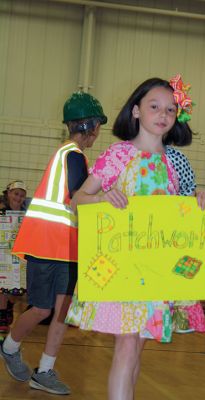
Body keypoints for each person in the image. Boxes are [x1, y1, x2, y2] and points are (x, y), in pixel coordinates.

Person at [65, 74, 205, 400]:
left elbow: (183, 213)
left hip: (157, 273)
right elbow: (78, 200)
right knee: (127, 343)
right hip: (123, 268)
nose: (163, 115)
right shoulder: (118, 155)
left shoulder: (176, 162)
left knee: (137, 347)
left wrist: (200, 199)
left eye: (171, 110)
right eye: (154, 106)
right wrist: (102, 198)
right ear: (136, 111)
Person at [0, 91, 107, 395]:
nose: (98, 131)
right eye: (98, 123)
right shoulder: (71, 155)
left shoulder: (74, 155)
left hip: (67, 247)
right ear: (91, 125)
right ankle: (9, 348)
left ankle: (44, 370)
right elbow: (78, 199)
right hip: (48, 245)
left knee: (62, 310)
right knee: (43, 309)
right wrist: (109, 199)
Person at [0, 181, 27, 333]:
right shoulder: (2, 211)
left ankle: (9, 306)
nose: (19, 197)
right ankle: (2, 316)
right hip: (3, 254)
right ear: (9, 193)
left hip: (18, 255)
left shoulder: (25, 215)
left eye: (22, 195)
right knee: (3, 289)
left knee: (15, 291)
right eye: (16, 193)